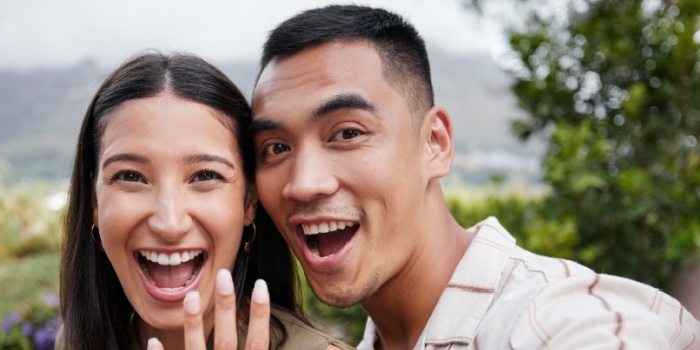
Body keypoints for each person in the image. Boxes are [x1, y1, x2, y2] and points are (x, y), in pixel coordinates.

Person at [249, 5, 700, 349]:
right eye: (276, 148)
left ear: (435, 144)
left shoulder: (553, 319)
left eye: (348, 133)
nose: (302, 183)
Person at [59, 52, 351, 350]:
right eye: (131, 177)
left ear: (249, 201)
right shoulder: (76, 341)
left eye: (205, 175)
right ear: (95, 202)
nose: (169, 225)